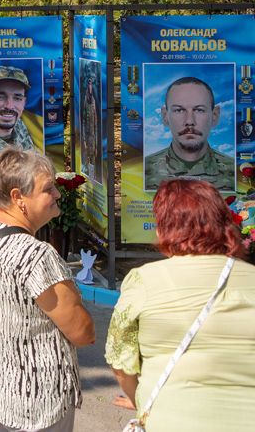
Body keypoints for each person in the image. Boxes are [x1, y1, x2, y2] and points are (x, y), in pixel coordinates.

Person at [0, 148, 94, 431]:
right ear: (18, 197)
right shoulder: (36, 256)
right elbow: (82, 332)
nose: (57, 194)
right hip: (34, 403)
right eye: (48, 189)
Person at [105, 179, 254, 431]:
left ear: (164, 229)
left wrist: (143, 401)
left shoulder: (144, 280)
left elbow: (121, 362)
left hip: (171, 418)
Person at [143, 77, 236, 192]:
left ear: (215, 116)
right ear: (165, 116)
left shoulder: (237, 174)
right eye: (179, 110)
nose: (189, 121)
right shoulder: (141, 171)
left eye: (199, 110)